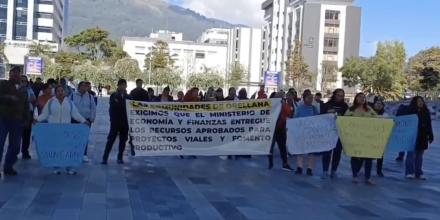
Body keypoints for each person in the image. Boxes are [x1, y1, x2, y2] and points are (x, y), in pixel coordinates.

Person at [36, 85, 89, 175]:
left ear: (64, 92)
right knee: (56, 148)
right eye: (58, 91)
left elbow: (75, 114)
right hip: (54, 131)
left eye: (62, 91)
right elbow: (45, 114)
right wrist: (37, 120)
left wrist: (84, 121)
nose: (60, 93)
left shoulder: (69, 102)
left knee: (67, 149)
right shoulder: (51, 102)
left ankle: (69, 167)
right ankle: (56, 167)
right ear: (55, 92)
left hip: (66, 131)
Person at [0, 67, 30, 176]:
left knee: (16, 146)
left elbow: (26, 105)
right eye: (14, 74)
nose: (17, 76)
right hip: (3, 119)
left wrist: (27, 119)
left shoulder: (23, 89)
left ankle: (8, 166)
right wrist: (9, 98)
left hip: (17, 121)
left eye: (18, 74)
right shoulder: (3, 84)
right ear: (10, 75)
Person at [345, 92, 377, 185]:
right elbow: (345, 121)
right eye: (360, 97)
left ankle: (368, 177)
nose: (362, 99)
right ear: (356, 99)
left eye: (363, 97)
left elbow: (377, 118)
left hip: (367, 138)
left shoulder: (369, 109)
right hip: (355, 138)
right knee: (355, 157)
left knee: (368, 158)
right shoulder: (351, 109)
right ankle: (355, 175)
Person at [321, 89, 349, 179]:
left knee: (337, 153)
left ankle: (334, 171)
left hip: (340, 133)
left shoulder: (345, 106)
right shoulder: (327, 105)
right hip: (328, 133)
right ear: (334, 95)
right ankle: (325, 171)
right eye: (338, 95)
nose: (340, 97)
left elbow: (349, 119)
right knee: (327, 152)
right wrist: (328, 114)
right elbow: (320, 117)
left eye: (342, 95)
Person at [405, 96, 434, 180]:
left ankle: (419, 173)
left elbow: (429, 124)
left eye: (422, 101)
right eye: (418, 101)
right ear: (415, 102)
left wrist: (430, 135)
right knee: (411, 154)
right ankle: (409, 172)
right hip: (412, 136)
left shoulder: (426, 112)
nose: (421, 102)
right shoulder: (410, 112)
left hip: (422, 136)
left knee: (419, 155)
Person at [102, 79, 129, 165]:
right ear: (118, 86)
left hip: (125, 123)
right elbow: (112, 108)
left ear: (126, 86)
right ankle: (105, 158)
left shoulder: (129, 97)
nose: (122, 87)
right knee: (110, 140)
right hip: (115, 122)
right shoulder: (113, 95)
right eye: (121, 85)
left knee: (123, 141)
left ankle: (120, 158)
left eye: (124, 85)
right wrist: (112, 119)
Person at [294, 92, 319, 176]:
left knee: (311, 151)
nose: (311, 99)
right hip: (301, 132)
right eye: (309, 98)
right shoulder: (299, 108)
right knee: (300, 150)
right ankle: (299, 167)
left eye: (312, 98)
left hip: (311, 133)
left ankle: (309, 168)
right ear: (304, 98)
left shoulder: (314, 109)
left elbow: (318, 119)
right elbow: (295, 119)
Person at [71, 81, 97, 162]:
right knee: (73, 137)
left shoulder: (90, 96)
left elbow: (93, 108)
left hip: (86, 120)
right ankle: (73, 153)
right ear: (78, 87)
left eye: (85, 87)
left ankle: (84, 154)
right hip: (74, 120)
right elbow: (69, 106)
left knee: (84, 138)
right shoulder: (72, 95)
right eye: (82, 86)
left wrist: (92, 118)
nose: (84, 88)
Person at [268, 91, 294, 171]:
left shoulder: (284, 104)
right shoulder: (270, 104)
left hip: (281, 128)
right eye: (279, 96)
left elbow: (289, 113)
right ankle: (270, 162)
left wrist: (284, 104)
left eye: (282, 97)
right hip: (272, 128)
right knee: (270, 147)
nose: (281, 98)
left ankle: (285, 163)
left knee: (282, 147)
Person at [20, 75, 36, 160]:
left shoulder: (29, 89)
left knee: (27, 134)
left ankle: (25, 152)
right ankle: (14, 152)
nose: (24, 83)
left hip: (28, 114)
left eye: (25, 81)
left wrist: (26, 99)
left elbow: (33, 98)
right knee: (18, 135)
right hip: (19, 114)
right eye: (22, 81)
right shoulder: (16, 89)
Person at [372, 98, 388, 177]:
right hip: (369, 137)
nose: (378, 105)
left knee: (380, 155)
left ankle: (379, 171)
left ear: (382, 106)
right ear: (374, 104)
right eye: (377, 103)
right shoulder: (369, 113)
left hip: (380, 138)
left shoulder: (385, 115)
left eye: (380, 104)